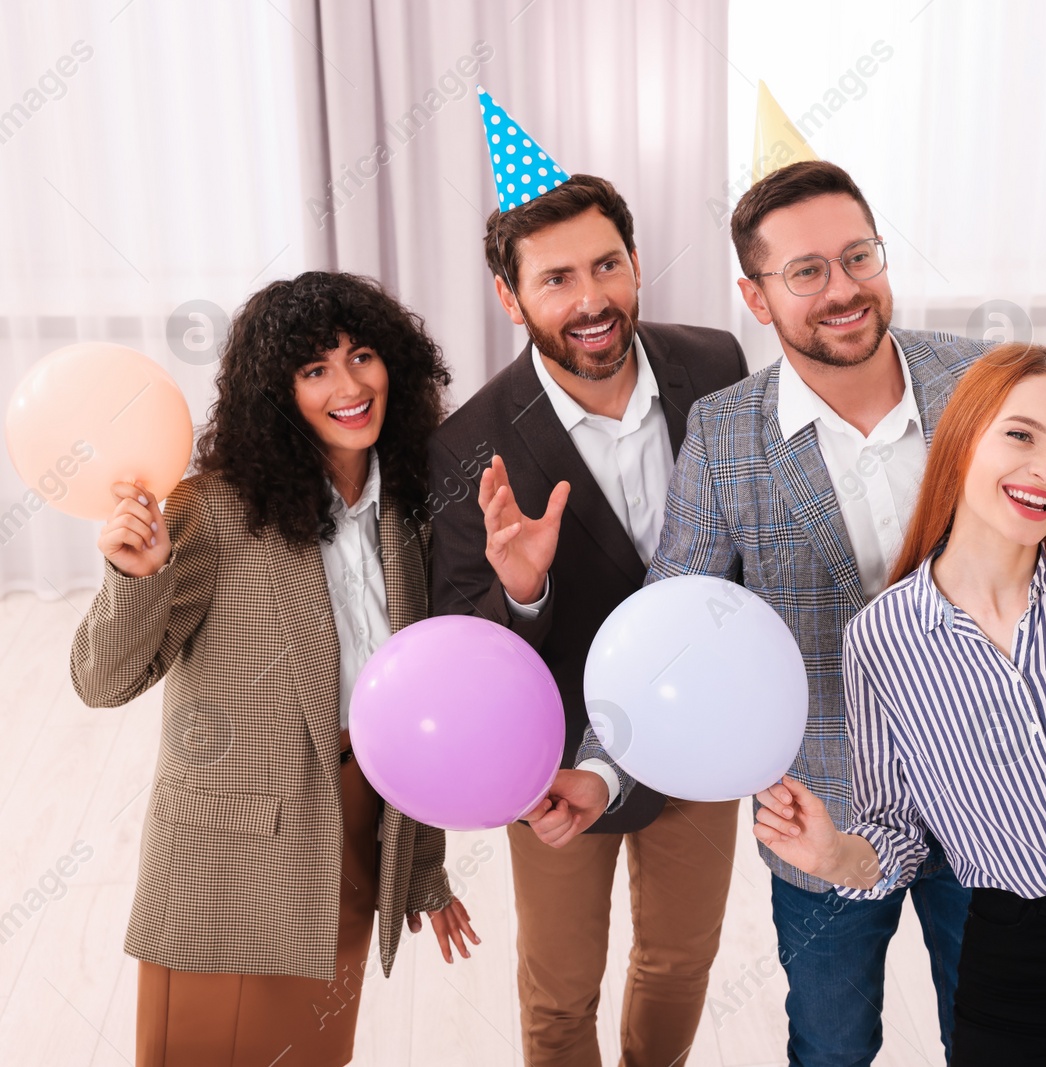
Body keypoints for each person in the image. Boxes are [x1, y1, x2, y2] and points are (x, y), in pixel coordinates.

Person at [568, 158, 990, 1066]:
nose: (843, 289)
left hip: (989, 788)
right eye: (806, 271)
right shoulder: (724, 433)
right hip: (822, 809)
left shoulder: (983, 384)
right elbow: (671, 609)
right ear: (757, 298)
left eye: (859, 257)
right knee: (831, 1046)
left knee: (1000, 1032)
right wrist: (603, 768)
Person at [69, 272, 477, 1067]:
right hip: (232, 857)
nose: (350, 385)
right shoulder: (213, 508)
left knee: (317, 1055)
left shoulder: (410, 509)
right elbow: (101, 680)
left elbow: (414, 702)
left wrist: (422, 864)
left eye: (362, 356)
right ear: (276, 392)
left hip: (357, 827)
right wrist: (136, 577)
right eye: (315, 368)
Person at [750, 343, 1046, 1064]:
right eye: (1021, 435)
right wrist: (832, 855)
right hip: (1015, 954)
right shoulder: (882, 638)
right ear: (961, 438)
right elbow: (897, 833)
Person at [427, 172, 748, 1067]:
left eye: (607, 264)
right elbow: (464, 642)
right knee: (563, 991)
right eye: (556, 278)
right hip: (558, 762)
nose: (592, 298)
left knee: (681, 958)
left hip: (700, 734)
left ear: (637, 261)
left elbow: (750, 542)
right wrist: (521, 587)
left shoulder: (715, 364)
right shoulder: (466, 444)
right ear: (510, 295)